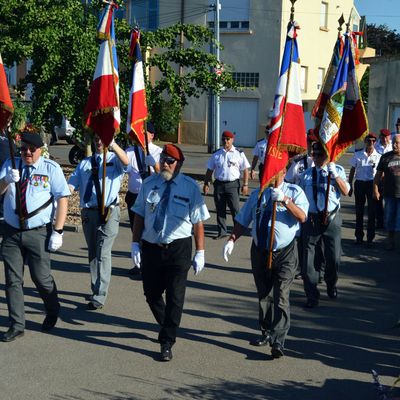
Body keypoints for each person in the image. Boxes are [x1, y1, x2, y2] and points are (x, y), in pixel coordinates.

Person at [131, 144, 209, 361]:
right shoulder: (149, 184)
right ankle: (168, 325)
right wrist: (135, 244)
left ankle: (167, 342)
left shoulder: (190, 187)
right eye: (164, 159)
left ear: (179, 165)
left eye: (170, 161)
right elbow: (139, 214)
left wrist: (200, 251)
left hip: (178, 248)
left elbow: (198, 222)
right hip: (152, 248)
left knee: (175, 298)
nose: (165, 163)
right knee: (152, 294)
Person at [223, 169, 308, 358]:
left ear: (284, 172)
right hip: (260, 251)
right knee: (264, 294)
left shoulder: (295, 192)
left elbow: (302, 217)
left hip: (285, 252)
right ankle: (266, 331)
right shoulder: (258, 194)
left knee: (281, 295)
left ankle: (278, 340)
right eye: (267, 171)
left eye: (274, 172)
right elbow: (243, 219)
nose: (269, 175)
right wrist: (231, 240)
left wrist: (285, 200)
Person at [0, 132, 70, 342]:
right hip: (11, 231)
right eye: (23, 149)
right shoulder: (10, 164)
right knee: (13, 280)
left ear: (40, 149)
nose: (27, 153)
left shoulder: (50, 168)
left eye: (32, 149)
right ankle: (17, 324)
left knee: (41, 278)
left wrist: (58, 231)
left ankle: (52, 308)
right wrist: (5, 180)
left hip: (38, 231)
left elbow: (63, 199)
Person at [68, 134, 128, 310]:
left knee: (103, 252)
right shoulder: (85, 163)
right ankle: (96, 287)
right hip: (89, 213)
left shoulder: (113, 160)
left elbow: (126, 163)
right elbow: (71, 185)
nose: (99, 141)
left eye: (102, 138)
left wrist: (113, 144)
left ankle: (100, 296)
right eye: (96, 138)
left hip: (109, 213)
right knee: (93, 252)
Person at [299, 141, 350, 308]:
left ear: (328, 155)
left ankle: (330, 282)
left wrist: (334, 175)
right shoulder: (306, 175)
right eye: (314, 154)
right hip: (312, 220)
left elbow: (346, 191)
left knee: (333, 258)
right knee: (308, 262)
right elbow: (298, 198)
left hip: (331, 220)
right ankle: (312, 294)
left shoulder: (338, 171)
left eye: (320, 154)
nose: (316, 158)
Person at [125, 122, 162, 276]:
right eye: (140, 133)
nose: (142, 136)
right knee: (136, 230)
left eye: (145, 133)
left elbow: (165, 177)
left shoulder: (159, 152)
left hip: (152, 198)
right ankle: (138, 264)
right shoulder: (130, 152)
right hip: (134, 197)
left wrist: (155, 165)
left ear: (152, 135)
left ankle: (151, 263)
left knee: (150, 231)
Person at [203, 131, 250, 239]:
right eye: (223, 139)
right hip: (219, 184)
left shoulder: (239, 153)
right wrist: (206, 183)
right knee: (220, 209)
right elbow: (210, 170)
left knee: (235, 209)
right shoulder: (216, 154)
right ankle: (222, 232)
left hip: (233, 185)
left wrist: (245, 184)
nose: (225, 141)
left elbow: (245, 170)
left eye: (228, 139)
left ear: (232, 140)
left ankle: (236, 231)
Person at [348, 133, 381, 246]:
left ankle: (370, 238)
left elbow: (381, 174)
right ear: (365, 142)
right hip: (360, 184)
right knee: (359, 211)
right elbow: (352, 170)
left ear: (375, 142)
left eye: (372, 141)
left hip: (372, 184)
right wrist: (350, 185)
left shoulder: (379, 156)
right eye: (368, 141)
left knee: (371, 212)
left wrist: (378, 187)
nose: (370, 143)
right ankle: (359, 237)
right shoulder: (358, 154)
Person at [373, 134, 400, 251]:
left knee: (399, 220)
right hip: (389, 195)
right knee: (389, 219)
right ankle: (390, 242)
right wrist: (375, 189)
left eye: (397, 142)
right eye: (393, 142)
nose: (394, 144)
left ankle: (398, 244)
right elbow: (378, 175)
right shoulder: (385, 157)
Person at [375, 128, 393, 228]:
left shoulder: (393, 146)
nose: (384, 139)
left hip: (390, 177)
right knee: (378, 200)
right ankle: (380, 221)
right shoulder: (376, 146)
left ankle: (389, 220)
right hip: (378, 176)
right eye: (383, 136)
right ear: (380, 137)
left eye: (386, 137)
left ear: (389, 137)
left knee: (389, 200)